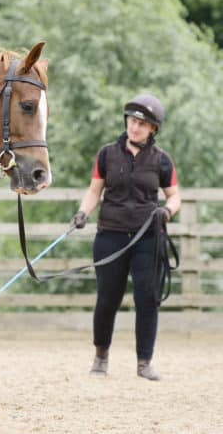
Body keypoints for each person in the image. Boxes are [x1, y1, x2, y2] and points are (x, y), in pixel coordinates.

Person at [71, 93, 181, 381]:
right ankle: (100, 357)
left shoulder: (162, 161)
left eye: (142, 125)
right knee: (107, 298)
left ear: (152, 129)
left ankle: (144, 362)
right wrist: (83, 212)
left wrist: (167, 211)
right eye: (132, 121)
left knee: (148, 298)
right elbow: (95, 190)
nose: (135, 128)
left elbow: (174, 196)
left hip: (147, 238)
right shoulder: (107, 154)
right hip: (111, 235)